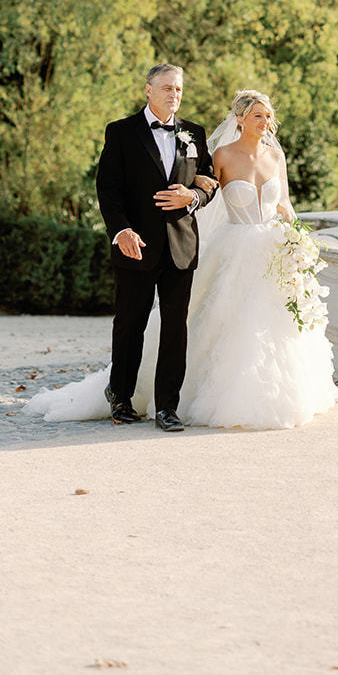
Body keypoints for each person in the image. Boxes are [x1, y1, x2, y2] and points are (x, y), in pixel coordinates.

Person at [25, 88, 338, 431]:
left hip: (274, 250)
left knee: (271, 326)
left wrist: (299, 240)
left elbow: (283, 204)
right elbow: (202, 184)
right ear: (239, 119)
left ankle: (277, 395)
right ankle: (140, 396)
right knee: (212, 322)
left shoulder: (275, 158)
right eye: (257, 116)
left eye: (267, 116)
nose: (264, 122)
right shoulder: (219, 153)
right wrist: (192, 193)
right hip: (233, 250)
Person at [93, 62, 216, 432]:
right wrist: (121, 231)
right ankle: (121, 398)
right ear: (148, 90)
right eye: (166, 88)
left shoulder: (194, 133)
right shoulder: (121, 132)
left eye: (177, 89)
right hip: (136, 245)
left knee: (175, 328)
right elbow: (108, 190)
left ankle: (168, 408)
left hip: (181, 245)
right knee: (130, 325)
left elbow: (210, 182)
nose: (173, 95)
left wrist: (191, 197)